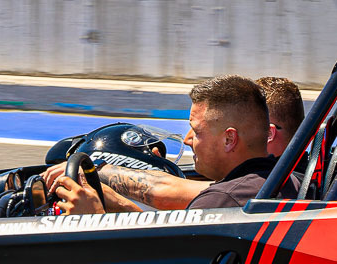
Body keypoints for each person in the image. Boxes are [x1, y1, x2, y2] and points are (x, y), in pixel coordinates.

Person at [49, 75, 298, 214]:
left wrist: (94, 218)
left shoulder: (222, 202)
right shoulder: (285, 180)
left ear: (229, 139)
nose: (188, 140)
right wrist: (119, 203)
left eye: (197, 131)